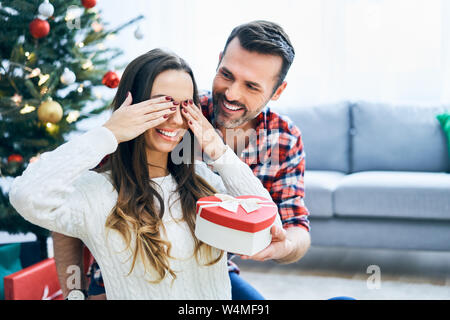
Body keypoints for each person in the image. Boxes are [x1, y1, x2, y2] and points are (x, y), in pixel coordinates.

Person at [53, 20, 312, 300]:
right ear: (218, 62)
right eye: (226, 74)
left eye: (251, 86)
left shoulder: (283, 138)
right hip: (123, 274)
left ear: (278, 91)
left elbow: (294, 224)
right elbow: (72, 199)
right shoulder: (171, 113)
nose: (232, 94)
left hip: (210, 269)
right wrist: (75, 293)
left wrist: (284, 246)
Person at [9, 48, 282, 300]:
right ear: (132, 108)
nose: (174, 119)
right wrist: (110, 133)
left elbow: (269, 225)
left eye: (184, 106)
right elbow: (26, 195)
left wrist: (218, 151)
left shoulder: (203, 181)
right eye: (160, 105)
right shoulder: (95, 193)